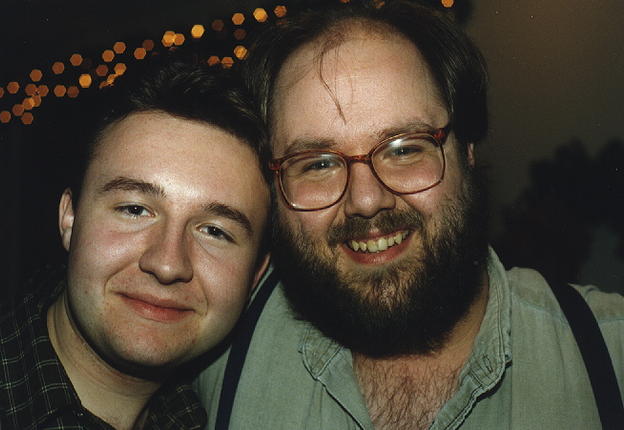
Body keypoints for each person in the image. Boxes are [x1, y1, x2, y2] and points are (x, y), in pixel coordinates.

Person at [195, 1, 624, 429]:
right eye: (318, 163)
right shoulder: (211, 344)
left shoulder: (610, 355)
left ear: (467, 152)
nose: (366, 200)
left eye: (404, 149)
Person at [0, 52, 270, 429]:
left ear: (255, 273)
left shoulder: (199, 414)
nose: (167, 264)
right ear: (70, 218)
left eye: (215, 231)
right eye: (135, 210)